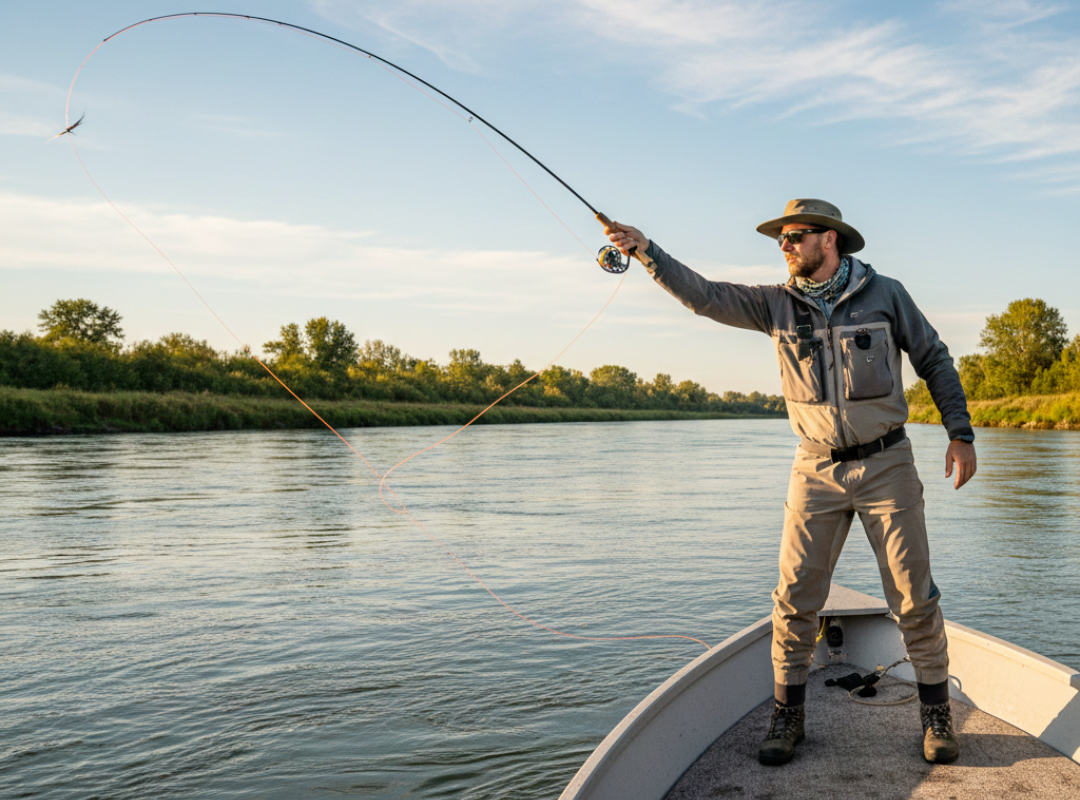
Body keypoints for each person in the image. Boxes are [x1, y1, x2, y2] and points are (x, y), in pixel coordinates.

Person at [605, 198, 977, 766]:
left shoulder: (887, 294)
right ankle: (787, 716)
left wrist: (960, 433)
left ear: (829, 239)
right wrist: (647, 252)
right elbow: (704, 295)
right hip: (814, 468)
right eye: (780, 238)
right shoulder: (773, 304)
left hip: (887, 465)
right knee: (795, 598)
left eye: (794, 236)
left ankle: (936, 715)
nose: (784, 245)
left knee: (913, 597)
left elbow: (934, 358)